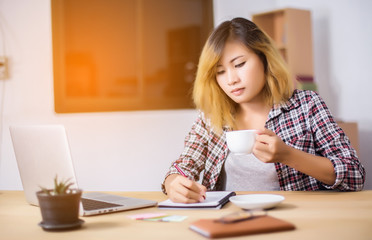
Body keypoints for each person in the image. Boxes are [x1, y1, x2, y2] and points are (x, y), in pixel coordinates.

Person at [162, 17, 365, 203]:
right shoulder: (211, 116)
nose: (231, 79)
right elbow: (183, 165)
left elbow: (354, 174)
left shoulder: (306, 105)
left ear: (264, 58)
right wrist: (173, 183)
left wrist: (288, 155)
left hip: (295, 219)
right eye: (220, 72)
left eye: (239, 64)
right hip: (230, 221)